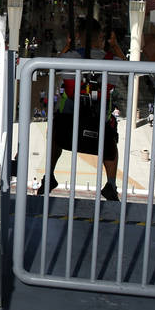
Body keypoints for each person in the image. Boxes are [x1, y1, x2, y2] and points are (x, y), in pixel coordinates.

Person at [44, 17, 123, 200]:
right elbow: (127, 68)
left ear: (77, 36)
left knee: (54, 133)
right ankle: (111, 183)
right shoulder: (112, 61)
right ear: (102, 36)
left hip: (68, 125)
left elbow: (53, 66)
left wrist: (68, 45)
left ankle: (49, 175)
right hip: (98, 126)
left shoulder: (69, 58)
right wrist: (115, 46)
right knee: (111, 140)